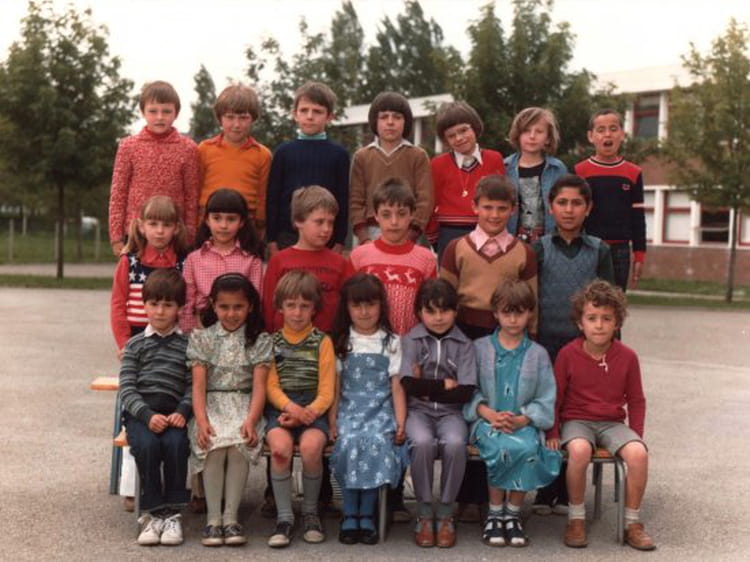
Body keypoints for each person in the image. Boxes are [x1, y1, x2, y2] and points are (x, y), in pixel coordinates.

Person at [440, 174, 538, 522]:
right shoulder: (457, 248)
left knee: (499, 409)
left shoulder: (523, 252)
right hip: (465, 335)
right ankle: (466, 495)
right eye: (487, 207)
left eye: (501, 208)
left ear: (513, 210)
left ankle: (491, 496)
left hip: (506, 335)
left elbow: (532, 301)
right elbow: (445, 298)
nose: (494, 215)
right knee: (468, 408)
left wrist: (529, 340)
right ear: (475, 207)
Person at [547, 280, 656, 551]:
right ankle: (576, 518)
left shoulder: (628, 357)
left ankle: (632, 523)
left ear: (617, 323)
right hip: (577, 421)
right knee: (580, 451)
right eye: (592, 318)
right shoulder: (567, 354)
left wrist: (636, 436)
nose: (599, 325)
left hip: (611, 423)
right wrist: (553, 432)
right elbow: (555, 398)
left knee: (638, 454)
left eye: (606, 319)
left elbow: (637, 400)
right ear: (580, 323)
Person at [530, 174, 615, 516]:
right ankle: (544, 488)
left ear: (588, 208)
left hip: (585, 348)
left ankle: (568, 491)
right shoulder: (539, 248)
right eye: (562, 203)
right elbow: (530, 297)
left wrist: (608, 351)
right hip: (545, 344)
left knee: (574, 414)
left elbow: (610, 304)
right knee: (547, 411)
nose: (569, 210)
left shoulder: (599, 250)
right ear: (550, 207)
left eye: (576, 203)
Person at [464, 279, 561, 548]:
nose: (513, 319)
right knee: (499, 446)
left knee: (528, 447)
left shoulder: (538, 354)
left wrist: (524, 418)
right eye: (507, 312)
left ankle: (513, 514)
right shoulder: (479, 348)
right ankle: (495, 513)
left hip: (524, 422)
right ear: (495, 313)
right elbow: (468, 389)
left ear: (529, 313)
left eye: (519, 312)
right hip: (487, 421)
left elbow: (546, 395)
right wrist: (487, 413)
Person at [187, 273, 272, 547]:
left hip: (245, 404)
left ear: (250, 306)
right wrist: (201, 420)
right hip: (211, 404)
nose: (231, 314)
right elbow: (198, 386)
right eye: (224, 307)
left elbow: (259, 387)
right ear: (213, 305)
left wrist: (252, 419)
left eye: (238, 307)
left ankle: (231, 518)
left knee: (238, 444)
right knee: (213, 443)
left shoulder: (258, 339)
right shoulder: (203, 338)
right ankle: (213, 520)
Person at [328, 273, 407, 545]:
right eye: (357, 305)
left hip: (380, 410)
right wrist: (332, 421)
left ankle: (368, 514)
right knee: (350, 441)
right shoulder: (341, 341)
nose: (364, 312)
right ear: (347, 308)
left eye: (370, 304)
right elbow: (336, 387)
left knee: (377, 443)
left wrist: (401, 421)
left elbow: (396, 386)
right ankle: (350, 512)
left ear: (381, 306)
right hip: (350, 409)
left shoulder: (391, 341)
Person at [400, 279, 477, 548]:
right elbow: (408, 384)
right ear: (419, 312)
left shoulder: (465, 344)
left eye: (445, 310)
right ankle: (423, 513)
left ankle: (445, 513)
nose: (438, 317)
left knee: (455, 444)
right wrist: (444, 385)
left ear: (455, 311)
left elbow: (465, 392)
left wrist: (426, 388)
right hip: (417, 412)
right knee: (422, 443)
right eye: (430, 311)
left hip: (452, 413)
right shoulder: (410, 340)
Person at [118, 268, 192, 546]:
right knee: (147, 446)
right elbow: (127, 389)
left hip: (173, 415)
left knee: (176, 445)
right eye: (154, 303)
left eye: (168, 305)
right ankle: (152, 514)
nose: (160, 311)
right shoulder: (135, 345)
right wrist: (147, 416)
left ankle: (172, 515)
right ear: (145, 305)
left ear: (179, 308)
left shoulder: (188, 345)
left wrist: (182, 412)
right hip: (141, 415)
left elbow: (192, 386)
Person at [264, 271, 336, 548]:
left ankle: (310, 512)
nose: (297, 312)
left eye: (304, 306)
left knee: (311, 448)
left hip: (313, 410)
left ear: (314, 308)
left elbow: (327, 390)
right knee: (280, 450)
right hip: (281, 409)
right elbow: (271, 385)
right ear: (280, 307)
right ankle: (284, 517)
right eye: (291, 305)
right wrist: (292, 409)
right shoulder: (272, 342)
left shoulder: (322, 342)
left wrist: (308, 413)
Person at [109, 80, 200, 254]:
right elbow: (118, 193)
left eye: (166, 111)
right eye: (153, 111)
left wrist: (190, 236)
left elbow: (191, 196)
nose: (160, 117)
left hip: (173, 235)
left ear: (176, 113)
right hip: (136, 234)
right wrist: (116, 236)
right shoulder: (128, 146)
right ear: (142, 112)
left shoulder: (188, 148)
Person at [266, 81, 349, 254]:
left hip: (326, 236)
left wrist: (340, 241)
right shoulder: (283, 152)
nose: (310, 116)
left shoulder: (339, 155)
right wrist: (272, 240)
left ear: (329, 117)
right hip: (287, 236)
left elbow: (343, 199)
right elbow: (273, 199)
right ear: (295, 114)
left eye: (317, 111)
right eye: (304, 110)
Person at [348, 178, 437, 335]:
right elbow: (348, 304)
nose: (394, 222)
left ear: (412, 215)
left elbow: (431, 307)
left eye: (401, 214)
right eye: (386, 214)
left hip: (410, 344)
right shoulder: (359, 256)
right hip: (368, 343)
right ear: (376, 215)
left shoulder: (426, 258)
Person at [263, 185, 353, 333]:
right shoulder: (279, 261)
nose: (326, 229)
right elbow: (268, 306)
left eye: (331, 222)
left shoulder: (340, 263)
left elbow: (348, 306)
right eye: (319, 222)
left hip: (328, 342)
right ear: (298, 221)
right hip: (285, 342)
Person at [575, 109, 647, 291]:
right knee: (586, 300)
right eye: (601, 130)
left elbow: (638, 218)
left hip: (620, 251)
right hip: (587, 247)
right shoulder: (579, 171)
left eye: (613, 129)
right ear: (591, 136)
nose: (607, 134)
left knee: (614, 301)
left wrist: (639, 255)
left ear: (622, 134)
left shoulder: (633, 173)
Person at [350, 91, 433, 244]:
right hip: (370, 232)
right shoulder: (362, 156)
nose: (390, 122)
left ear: (406, 122)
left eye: (397, 117)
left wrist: (411, 235)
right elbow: (355, 200)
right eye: (384, 117)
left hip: (407, 231)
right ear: (375, 121)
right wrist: (363, 237)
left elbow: (425, 200)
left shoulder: (418, 155)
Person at [111, 195, 189, 357]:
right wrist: (124, 343)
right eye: (153, 224)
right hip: (135, 338)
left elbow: (187, 305)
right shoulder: (129, 262)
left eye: (166, 225)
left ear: (176, 228)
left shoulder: (184, 263)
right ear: (141, 226)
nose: (160, 231)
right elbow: (118, 305)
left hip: (173, 339)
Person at [181, 188, 264, 333]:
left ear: (242, 222)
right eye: (217, 218)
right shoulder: (194, 259)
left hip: (240, 327)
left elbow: (256, 300)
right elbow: (188, 301)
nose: (223, 225)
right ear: (207, 220)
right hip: (202, 328)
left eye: (231, 219)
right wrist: (189, 332)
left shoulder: (252, 260)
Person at [428, 101, 505, 255]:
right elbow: (431, 203)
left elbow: (503, 200)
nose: (459, 138)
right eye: (451, 135)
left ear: (475, 128)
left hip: (487, 232)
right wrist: (434, 238)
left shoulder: (494, 159)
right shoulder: (437, 164)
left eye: (463, 130)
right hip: (449, 234)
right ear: (445, 140)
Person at [197, 83, 271, 235]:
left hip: (245, 223)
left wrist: (260, 226)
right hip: (209, 222)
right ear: (220, 118)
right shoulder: (204, 149)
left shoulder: (262, 155)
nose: (236, 124)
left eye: (243, 118)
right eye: (230, 117)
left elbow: (263, 196)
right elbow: (195, 188)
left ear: (253, 119)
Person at [505, 107, 568, 244]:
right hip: (511, 241)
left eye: (539, 131)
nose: (532, 136)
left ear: (548, 138)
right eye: (526, 131)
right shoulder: (505, 168)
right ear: (518, 135)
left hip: (550, 241)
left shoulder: (557, 169)